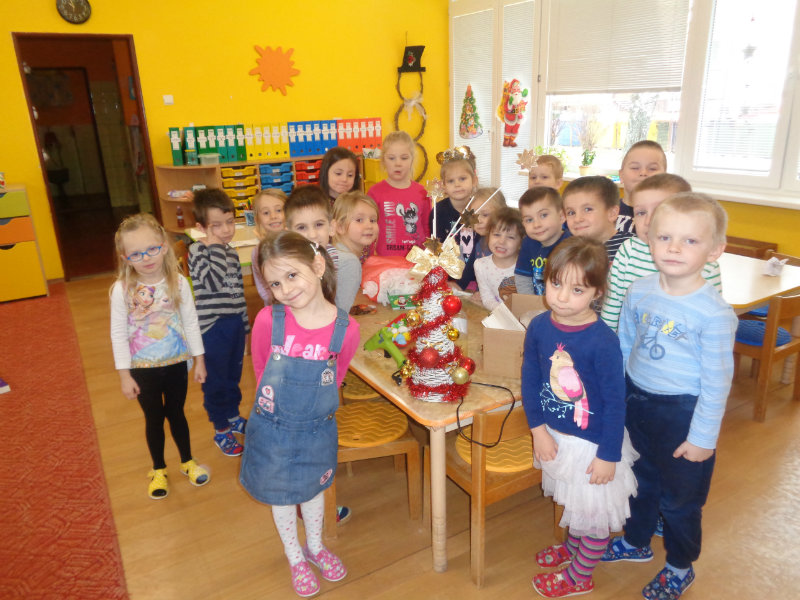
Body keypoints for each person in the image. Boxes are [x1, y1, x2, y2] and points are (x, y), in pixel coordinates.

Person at [603, 193, 737, 600]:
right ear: (649, 240)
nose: (674, 248)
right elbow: (626, 343)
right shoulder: (638, 290)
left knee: (680, 500)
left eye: (690, 240)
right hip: (638, 400)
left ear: (714, 251)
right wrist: (618, 396)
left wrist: (702, 439)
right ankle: (636, 541)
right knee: (640, 482)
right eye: (665, 237)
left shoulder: (715, 313)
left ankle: (680, 565)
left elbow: (717, 383)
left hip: (684, 413)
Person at [241, 231, 360, 598]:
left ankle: (316, 547)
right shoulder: (268, 320)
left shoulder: (346, 329)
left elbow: (336, 378)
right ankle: (295, 557)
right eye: (275, 283)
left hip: (316, 430)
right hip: (273, 428)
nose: (285, 289)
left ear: (318, 265)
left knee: (312, 490)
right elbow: (261, 370)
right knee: (281, 495)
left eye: (292, 275)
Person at [521, 236, 638, 598]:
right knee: (576, 502)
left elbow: (616, 403)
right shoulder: (539, 326)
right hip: (557, 436)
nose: (561, 297)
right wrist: (538, 430)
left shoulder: (603, 342)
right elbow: (530, 379)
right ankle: (572, 549)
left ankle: (579, 576)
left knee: (594, 515)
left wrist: (608, 455)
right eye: (555, 283)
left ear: (597, 293)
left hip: (593, 446)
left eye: (576, 290)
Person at [110, 213, 209, 499]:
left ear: (164, 247)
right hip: (142, 368)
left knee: (177, 413)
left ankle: (187, 461)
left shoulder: (178, 282)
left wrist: (199, 360)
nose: (146, 258)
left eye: (152, 249)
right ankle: (158, 469)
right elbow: (118, 333)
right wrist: (124, 375)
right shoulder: (122, 290)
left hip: (176, 363)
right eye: (136, 254)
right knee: (153, 418)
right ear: (125, 258)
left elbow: (191, 323)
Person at [283, 184, 353, 525]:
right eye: (302, 227)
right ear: (288, 231)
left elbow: (338, 310)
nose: (312, 234)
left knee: (320, 434)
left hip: (326, 358)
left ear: (332, 226)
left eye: (319, 224)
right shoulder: (287, 266)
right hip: (297, 359)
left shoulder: (336, 260)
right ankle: (301, 495)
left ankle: (317, 497)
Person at [600, 174, 722, 332]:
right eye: (641, 212)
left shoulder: (705, 263)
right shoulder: (628, 250)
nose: (649, 221)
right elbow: (612, 303)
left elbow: (712, 322)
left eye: (659, 211)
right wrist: (607, 340)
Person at [189, 189, 249, 457]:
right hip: (213, 328)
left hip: (234, 324)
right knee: (215, 380)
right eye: (216, 225)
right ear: (201, 227)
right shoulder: (198, 250)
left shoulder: (231, 253)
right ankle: (221, 428)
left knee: (232, 377)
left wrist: (245, 327)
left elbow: (238, 294)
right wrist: (214, 247)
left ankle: (233, 416)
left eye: (230, 222)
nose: (226, 230)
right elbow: (213, 283)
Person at [368, 131, 430, 256]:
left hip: (417, 260)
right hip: (385, 260)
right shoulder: (374, 193)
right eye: (391, 158)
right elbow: (368, 229)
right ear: (383, 161)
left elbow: (427, 226)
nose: (398, 163)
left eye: (404, 158)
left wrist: (429, 254)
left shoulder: (422, 192)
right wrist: (369, 258)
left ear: (412, 160)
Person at [515, 187, 570, 296]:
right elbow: (523, 278)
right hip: (536, 303)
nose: (536, 225)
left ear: (561, 217)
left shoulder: (572, 244)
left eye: (544, 215)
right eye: (529, 220)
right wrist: (529, 303)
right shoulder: (528, 243)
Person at [563, 176, 631, 263]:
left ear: (612, 213)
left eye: (587, 209)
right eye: (571, 213)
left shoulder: (632, 248)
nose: (577, 219)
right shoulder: (569, 251)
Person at [331, 191, 379, 311]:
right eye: (359, 220)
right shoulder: (349, 262)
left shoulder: (335, 252)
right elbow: (341, 311)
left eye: (373, 220)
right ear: (340, 227)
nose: (369, 225)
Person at [474, 207, 523, 310]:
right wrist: (503, 312)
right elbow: (487, 298)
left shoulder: (526, 266)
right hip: (499, 314)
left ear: (520, 243)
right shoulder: (481, 265)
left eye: (510, 237)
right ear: (488, 236)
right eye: (496, 234)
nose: (501, 241)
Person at [617, 140, 667, 235]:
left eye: (652, 168)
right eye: (635, 168)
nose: (643, 173)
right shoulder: (606, 211)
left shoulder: (669, 216)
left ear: (664, 177)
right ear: (621, 175)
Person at [251, 189, 287, 305]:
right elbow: (263, 288)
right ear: (257, 219)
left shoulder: (297, 243)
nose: (273, 216)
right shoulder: (257, 252)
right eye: (266, 213)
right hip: (277, 306)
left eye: (279, 210)